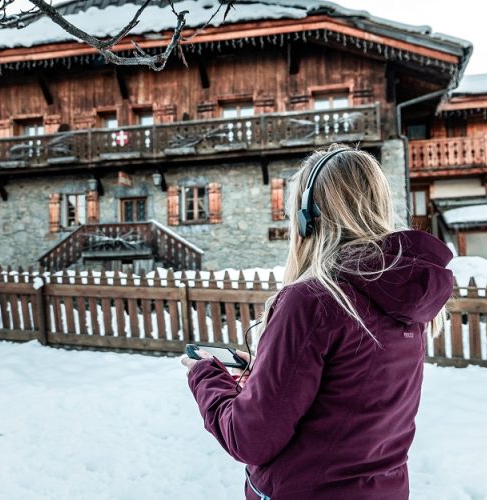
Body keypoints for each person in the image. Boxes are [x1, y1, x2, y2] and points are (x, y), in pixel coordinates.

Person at [181, 145, 454, 499]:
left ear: (308, 215)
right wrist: (267, 371)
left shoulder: (313, 301)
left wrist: (204, 375)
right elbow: (351, 395)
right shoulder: (403, 294)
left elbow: (250, 438)